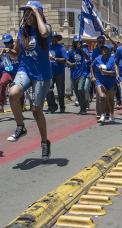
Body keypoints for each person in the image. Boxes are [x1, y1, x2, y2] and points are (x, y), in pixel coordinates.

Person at [0, 1, 52, 160]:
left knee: (36, 111)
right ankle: (20, 126)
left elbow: (43, 33)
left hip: (42, 74)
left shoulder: (46, 28)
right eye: (26, 12)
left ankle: (44, 142)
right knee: (13, 93)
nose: (27, 15)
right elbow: (16, 53)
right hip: (25, 70)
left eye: (30, 12)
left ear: (38, 13)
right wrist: (9, 51)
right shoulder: (23, 31)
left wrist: (37, 13)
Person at [91, 44, 116, 124]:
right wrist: (93, 76)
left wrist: (106, 72)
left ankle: (112, 114)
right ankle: (102, 115)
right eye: (103, 49)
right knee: (102, 96)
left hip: (111, 82)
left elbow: (115, 73)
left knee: (111, 100)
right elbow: (91, 66)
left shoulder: (113, 59)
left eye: (106, 49)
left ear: (110, 50)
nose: (104, 50)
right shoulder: (98, 58)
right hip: (100, 81)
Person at [66, 35, 89, 114]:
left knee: (80, 89)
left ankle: (84, 106)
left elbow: (88, 58)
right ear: (74, 42)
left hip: (82, 73)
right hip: (73, 74)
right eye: (76, 42)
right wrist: (70, 64)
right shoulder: (70, 51)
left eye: (79, 42)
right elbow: (67, 61)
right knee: (77, 92)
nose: (77, 43)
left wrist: (81, 50)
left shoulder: (84, 50)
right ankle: (82, 107)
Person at [47, 31, 66, 113]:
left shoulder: (61, 48)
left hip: (60, 73)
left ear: (57, 39)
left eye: (54, 38)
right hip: (50, 73)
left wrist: (56, 59)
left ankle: (62, 106)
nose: (53, 39)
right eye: (51, 38)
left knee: (60, 91)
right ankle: (52, 106)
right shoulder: (47, 47)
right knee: (48, 89)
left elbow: (65, 59)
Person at [0, 34, 20, 112]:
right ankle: (1, 104)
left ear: (12, 42)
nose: (7, 44)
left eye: (8, 42)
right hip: (8, 72)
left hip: (18, 73)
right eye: (5, 43)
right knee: (2, 83)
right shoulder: (2, 50)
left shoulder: (17, 49)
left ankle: (21, 107)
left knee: (19, 91)